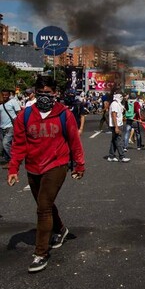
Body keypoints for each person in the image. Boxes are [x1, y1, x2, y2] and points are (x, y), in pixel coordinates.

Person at [6, 76, 85, 273]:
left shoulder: (63, 115)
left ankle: (40, 253)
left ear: (55, 94)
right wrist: (13, 168)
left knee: (43, 208)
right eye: (40, 93)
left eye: (48, 93)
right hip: (33, 167)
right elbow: (18, 145)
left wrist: (79, 165)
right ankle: (61, 229)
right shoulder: (25, 116)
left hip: (56, 165)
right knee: (46, 204)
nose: (44, 97)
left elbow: (74, 141)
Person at [107, 90, 130, 162]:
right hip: (116, 125)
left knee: (114, 140)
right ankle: (122, 156)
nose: (122, 98)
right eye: (121, 96)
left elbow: (126, 109)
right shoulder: (114, 104)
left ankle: (111, 156)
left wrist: (126, 101)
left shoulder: (119, 104)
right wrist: (116, 127)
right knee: (119, 140)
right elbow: (114, 115)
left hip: (119, 124)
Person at [1, 89, 21, 168]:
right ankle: (9, 161)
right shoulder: (1, 103)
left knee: (5, 143)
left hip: (11, 126)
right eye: (3, 95)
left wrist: (18, 124)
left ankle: (14, 160)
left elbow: (19, 113)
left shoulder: (13, 102)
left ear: (9, 95)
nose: (4, 96)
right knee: (6, 145)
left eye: (6, 95)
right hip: (2, 127)